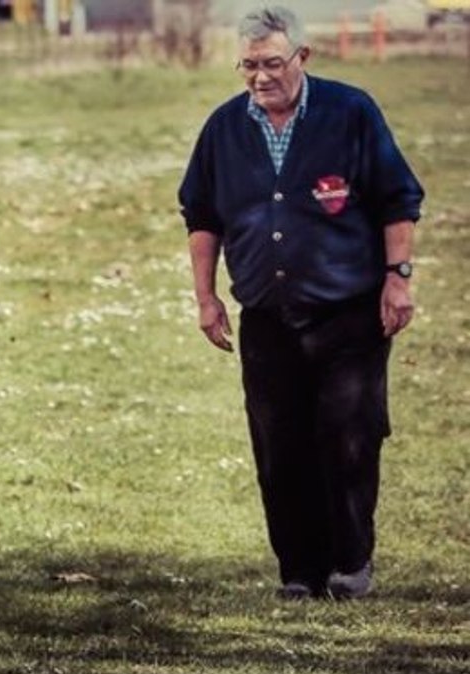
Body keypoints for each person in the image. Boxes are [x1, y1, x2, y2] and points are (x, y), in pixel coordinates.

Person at [177, 6, 424, 600]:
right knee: (279, 443)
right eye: (248, 66)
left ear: (302, 58)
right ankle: (299, 571)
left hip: (349, 311)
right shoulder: (223, 129)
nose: (260, 77)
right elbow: (202, 216)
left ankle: (350, 563)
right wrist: (206, 297)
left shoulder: (352, 113)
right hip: (266, 313)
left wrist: (399, 278)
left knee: (349, 433)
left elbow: (398, 199)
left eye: (271, 64)